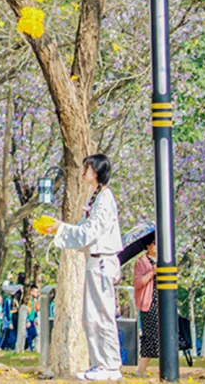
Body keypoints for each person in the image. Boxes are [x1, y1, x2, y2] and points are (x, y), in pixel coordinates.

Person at [46, 154, 123, 382]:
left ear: (96, 172)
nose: (84, 172)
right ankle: (99, 363)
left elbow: (90, 232)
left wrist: (61, 229)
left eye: (87, 168)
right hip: (94, 261)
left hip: (102, 262)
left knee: (102, 315)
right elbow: (83, 228)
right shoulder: (95, 197)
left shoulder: (105, 199)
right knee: (91, 316)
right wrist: (60, 228)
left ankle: (110, 365)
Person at [133, 238, 159, 377]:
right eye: (154, 243)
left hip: (162, 303)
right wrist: (152, 272)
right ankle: (140, 370)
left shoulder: (163, 260)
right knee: (150, 337)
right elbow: (138, 283)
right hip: (149, 304)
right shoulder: (142, 262)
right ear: (148, 245)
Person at [24, 285, 40, 351]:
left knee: (34, 334)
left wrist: (36, 319)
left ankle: (28, 346)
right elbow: (26, 311)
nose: (37, 293)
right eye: (35, 292)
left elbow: (35, 310)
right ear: (32, 292)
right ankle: (29, 347)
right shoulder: (29, 300)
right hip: (29, 319)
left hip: (32, 319)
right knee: (30, 334)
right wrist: (27, 320)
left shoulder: (35, 301)